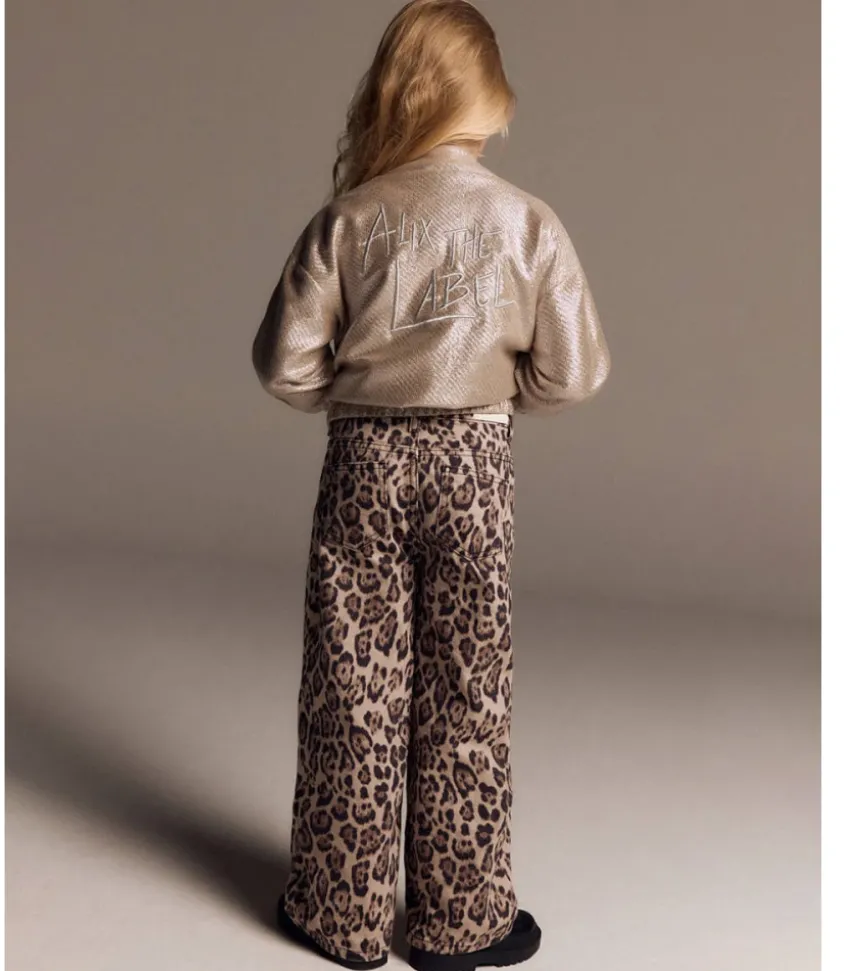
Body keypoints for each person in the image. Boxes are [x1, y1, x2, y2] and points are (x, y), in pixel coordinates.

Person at [252, 2, 610, 968]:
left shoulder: (348, 219)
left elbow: (284, 364)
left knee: (352, 681)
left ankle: (341, 911)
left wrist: (357, 395)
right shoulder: (527, 222)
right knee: (468, 683)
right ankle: (464, 921)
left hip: (363, 464)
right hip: (473, 467)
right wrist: (499, 393)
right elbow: (575, 371)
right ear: (486, 99)